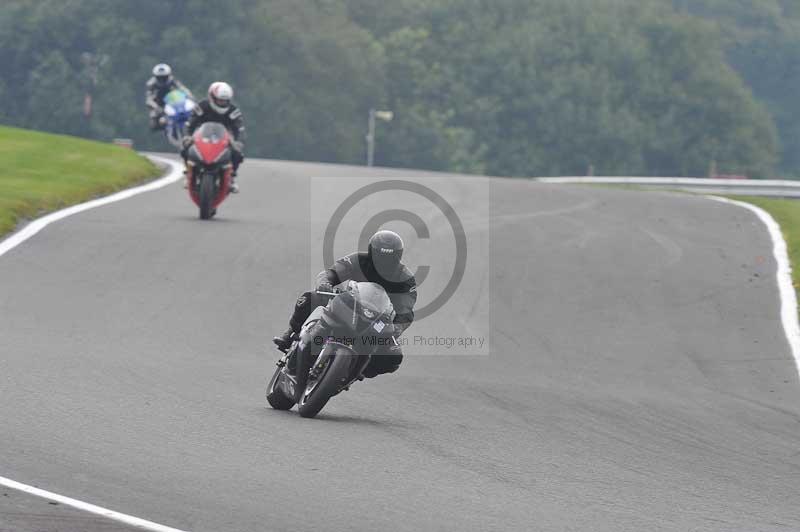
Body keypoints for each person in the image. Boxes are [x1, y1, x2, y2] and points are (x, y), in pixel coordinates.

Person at [274, 230, 417, 378]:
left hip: (375, 322)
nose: (383, 262)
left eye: (389, 259)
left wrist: (397, 328)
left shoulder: (405, 279)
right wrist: (325, 283)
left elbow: (406, 310)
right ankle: (290, 332)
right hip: (347, 305)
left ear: (398, 257)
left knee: (393, 357)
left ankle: (355, 371)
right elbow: (331, 273)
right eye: (380, 257)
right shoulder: (358, 260)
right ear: (371, 252)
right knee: (310, 298)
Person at [181, 81, 245, 193]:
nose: (222, 103)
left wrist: (238, 142)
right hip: (201, 136)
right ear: (212, 97)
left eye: (225, 101)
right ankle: (189, 173)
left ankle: (232, 177)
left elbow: (240, 129)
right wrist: (187, 136)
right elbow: (190, 123)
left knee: (237, 154)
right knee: (185, 149)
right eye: (220, 100)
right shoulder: (202, 106)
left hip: (224, 139)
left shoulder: (233, 111)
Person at [145, 63, 193, 130]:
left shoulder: (172, 81)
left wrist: (189, 96)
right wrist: (155, 106)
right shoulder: (151, 84)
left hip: (172, 102)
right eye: (160, 78)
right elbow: (149, 99)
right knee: (154, 119)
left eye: (164, 77)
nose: (162, 80)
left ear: (168, 75)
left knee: (191, 111)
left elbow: (182, 89)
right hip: (159, 104)